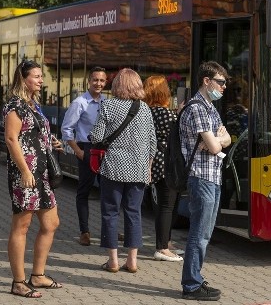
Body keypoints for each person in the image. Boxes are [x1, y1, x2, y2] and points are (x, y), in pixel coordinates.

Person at [4, 59, 63, 298]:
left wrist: (52, 142)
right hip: (25, 174)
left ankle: (37, 275)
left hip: (42, 173)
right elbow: (11, 139)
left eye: (41, 76)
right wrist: (25, 171)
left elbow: (34, 134)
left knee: (51, 223)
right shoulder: (15, 105)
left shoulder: (33, 104)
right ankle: (18, 282)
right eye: (36, 76)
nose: (41, 80)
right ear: (23, 79)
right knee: (22, 226)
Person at [89, 68, 156, 273]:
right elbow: (152, 143)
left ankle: (113, 261)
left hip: (112, 168)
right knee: (133, 213)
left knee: (110, 212)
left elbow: (97, 137)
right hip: (139, 169)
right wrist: (148, 167)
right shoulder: (144, 109)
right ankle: (132, 261)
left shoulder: (107, 105)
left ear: (117, 85)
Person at [180, 61, 232, 301]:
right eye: (220, 82)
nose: (224, 87)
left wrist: (217, 141)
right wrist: (216, 141)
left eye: (225, 83)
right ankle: (191, 284)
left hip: (213, 176)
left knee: (205, 233)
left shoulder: (210, 108)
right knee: (198, 234)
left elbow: (227, 139)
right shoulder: (198, 108)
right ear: (206, 81)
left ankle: (195, 279)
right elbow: (214, 145)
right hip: (201, 178)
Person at [60, 66, 108, 246]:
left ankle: (107, 230)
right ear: (89, 81)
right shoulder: (79, 103)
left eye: (102, 80)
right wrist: (78, 151)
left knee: (108, 192)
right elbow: (66, 129)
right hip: (86, 149)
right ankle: (84, 231)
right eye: (95, 80)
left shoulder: (106, 102)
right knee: (84, 192)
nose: (98, 83)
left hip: (104, 150)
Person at [143, 75, 184, 262]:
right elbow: (175, 135)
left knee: (164, 205)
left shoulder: (147, 111)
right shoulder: (166, 114)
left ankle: (166, 242)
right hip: (166, 163)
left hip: (155, 162)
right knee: (167, 205)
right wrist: (180, 114)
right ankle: (162, 247)